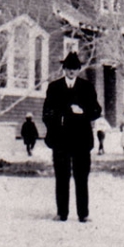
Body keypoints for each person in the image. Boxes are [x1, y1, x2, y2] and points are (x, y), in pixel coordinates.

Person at [42, 52, 102, 223]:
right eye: (68, 68)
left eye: (75, 68)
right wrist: (56, 124)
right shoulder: (54, 87)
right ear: (64, 68)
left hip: (81, 141)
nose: (71, 71)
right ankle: (62, 213)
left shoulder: (87, 87)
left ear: (79, 69)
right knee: (61, 176)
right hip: (61, 140)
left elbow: (97, 111)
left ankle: (83, 213)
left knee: (81, 177)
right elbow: (46, 113)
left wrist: (83, 112)